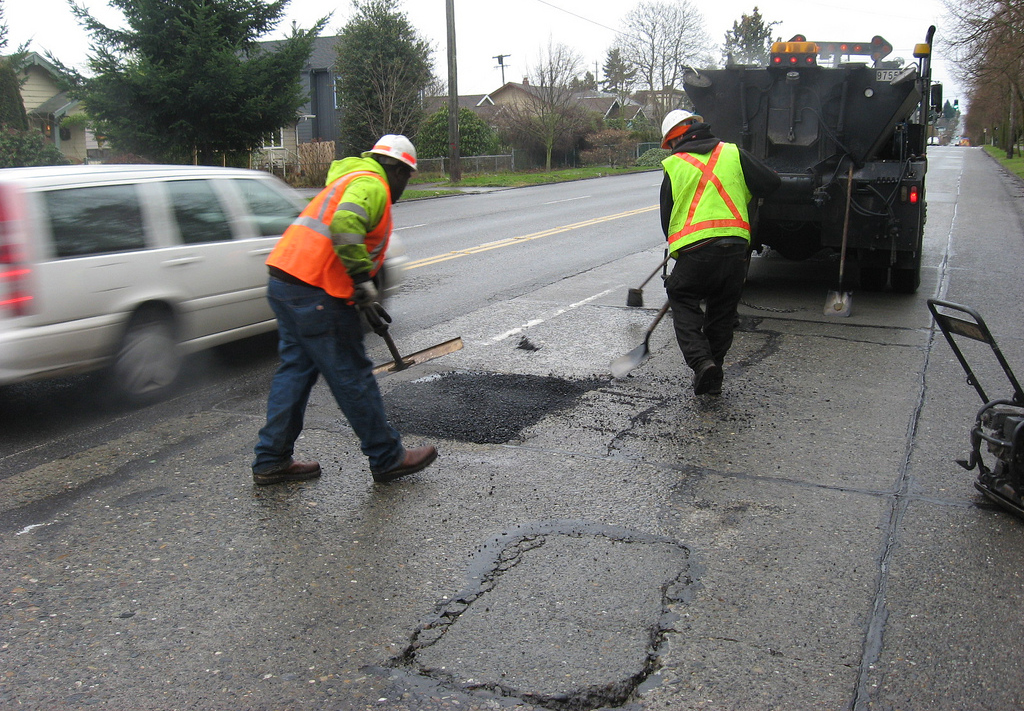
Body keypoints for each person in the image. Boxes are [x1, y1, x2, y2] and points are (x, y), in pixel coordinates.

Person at [251, 135, 437, 486]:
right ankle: (387, 457)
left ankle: (271, 459)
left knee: (297, 370)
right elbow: (344, 226)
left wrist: (362, 296)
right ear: (395, 169)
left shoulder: (348, 179)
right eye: (407, 177)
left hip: (285, 281)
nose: (405, 186)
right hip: (315, 292)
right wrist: (361, 280)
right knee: (352, 374)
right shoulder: (373, 183)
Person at [659, 109, 780, 395]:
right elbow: (771, 183)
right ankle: (714, 370)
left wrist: (679, 250)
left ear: (674, 140)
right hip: (737, 247)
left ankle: (702, 363)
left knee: (682, 294)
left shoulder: (675, 164)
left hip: (696, 250)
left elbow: (667, 218)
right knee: (722, 310)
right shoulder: (733, 153)